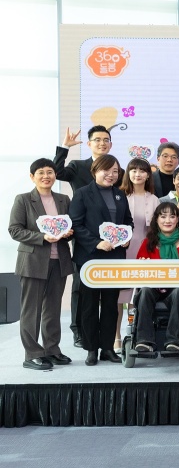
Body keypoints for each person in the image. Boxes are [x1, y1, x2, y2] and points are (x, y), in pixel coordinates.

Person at [9, 158, 74, 370]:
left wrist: (69, 232)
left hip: (59, 260)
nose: (46, 176)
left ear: (55, 176)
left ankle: (52, 350)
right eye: (41, 173)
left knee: (53, 309)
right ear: (32, 177)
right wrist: (42, 237)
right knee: (31, 310)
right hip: (33, 261)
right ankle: (33, 354)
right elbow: (15, 230)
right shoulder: (24, 199)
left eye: (50, 172)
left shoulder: (63, 199)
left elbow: (71, 225)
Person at [52, 125, 114, 348]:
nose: (102, 143)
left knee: (108, 289)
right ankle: (78, 330)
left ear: (111, 144)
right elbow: (57, 173)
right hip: (83, 234)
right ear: (89, 144)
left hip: (110, 239)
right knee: (81, 284)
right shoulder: (78, 166)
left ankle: (105, 337)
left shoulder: (115, 169)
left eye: (105, 139)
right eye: (97, 140)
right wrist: (64, 147)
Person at [68, 154, 133, 366]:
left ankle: (107, 348)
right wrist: (96, 242)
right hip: (90, 258)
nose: (111, 175)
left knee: (110, 305)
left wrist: (126, 237)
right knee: (89, 304)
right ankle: (91, 349)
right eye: (107, 170)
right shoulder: (82, 193)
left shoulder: (120, 194)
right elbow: (76, 224)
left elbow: (128, 221)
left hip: (114, 257)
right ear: (95, 170)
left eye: (115, 171)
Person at [134, 202, 179, 352]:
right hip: (155, 288)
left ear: (178, 219)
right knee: (144, 291)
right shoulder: (148, 243)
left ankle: (174, 340)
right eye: (163, 216)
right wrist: (143, 264)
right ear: (156, 219)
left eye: (172, 216)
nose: (167, 220)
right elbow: (139, 271)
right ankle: (144, 340)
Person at [118, 158, 159, 352]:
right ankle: (116, 337)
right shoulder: (119, 196)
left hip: (145, 251)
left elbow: (157, 229)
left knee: (139, 296)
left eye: (142, 171)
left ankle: (135, 336)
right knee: (120, 296)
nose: (137, 174)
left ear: (148, 175)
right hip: (122, 250)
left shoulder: (154, 199)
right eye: (133, 170)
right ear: (128, 173)